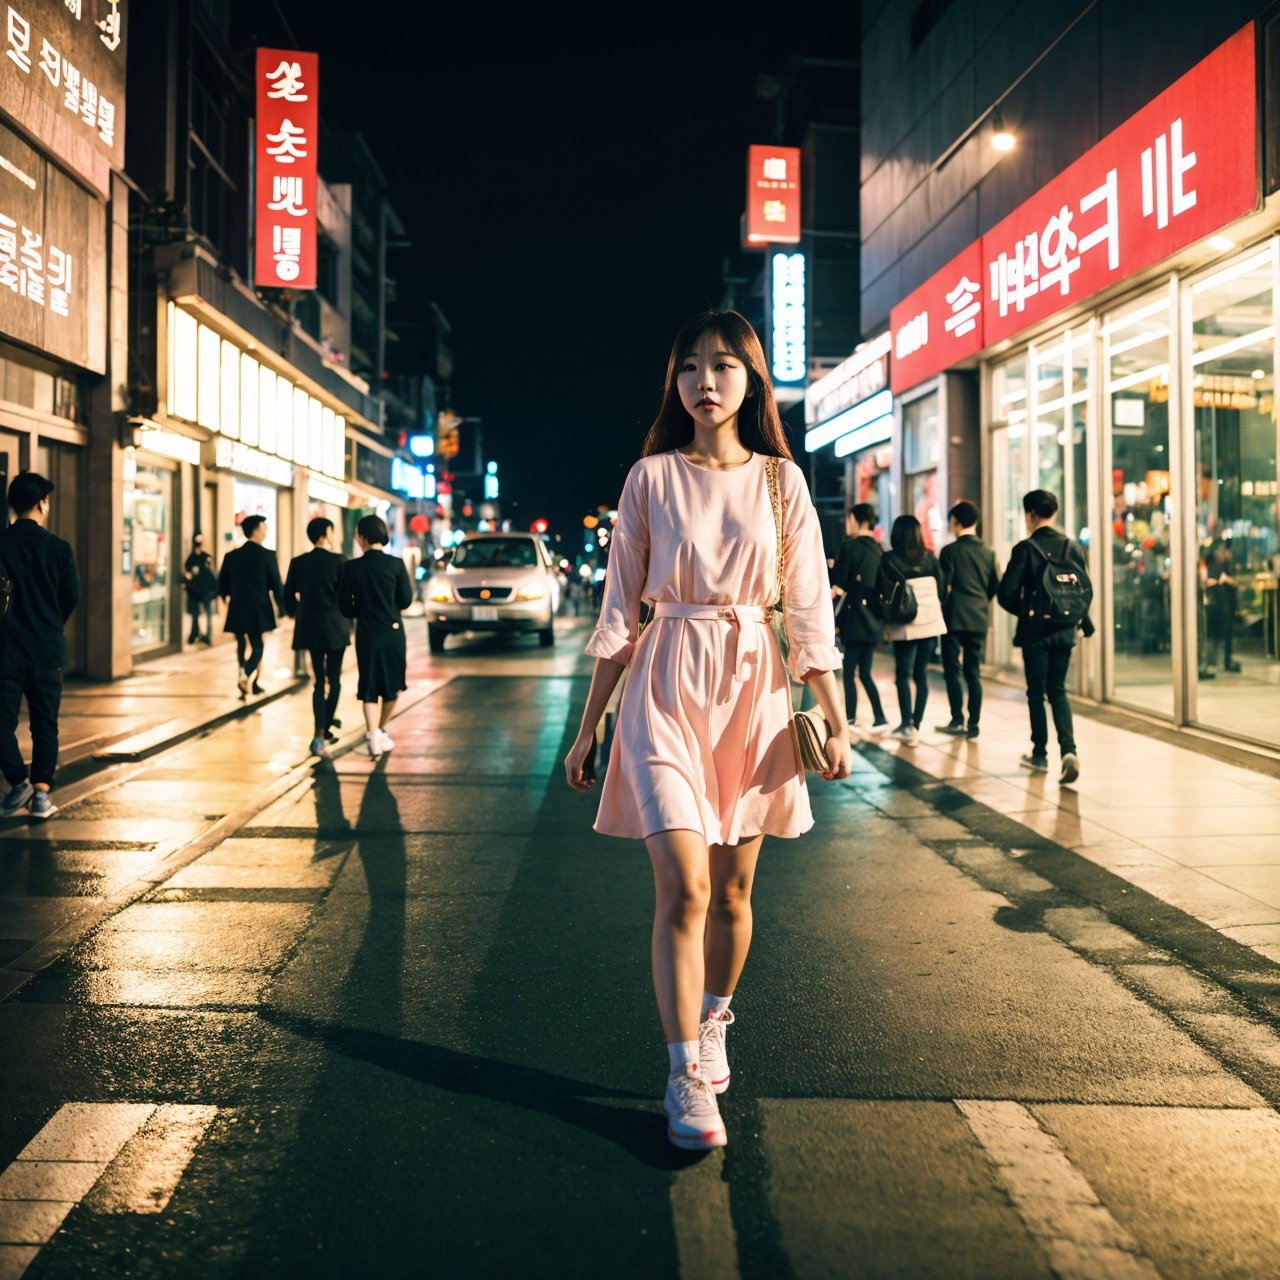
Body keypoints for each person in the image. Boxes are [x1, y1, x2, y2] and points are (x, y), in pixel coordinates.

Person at [563, 308, 849, 1153]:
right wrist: (589, 728)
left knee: (732, 891)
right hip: (665, 678)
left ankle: (717, 1016)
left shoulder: (780, 483)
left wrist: (835, 719)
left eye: (723, 365)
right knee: (684, 885)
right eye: (689, 366)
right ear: (675, 383)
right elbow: (620, 611)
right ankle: (684, 1070)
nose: (705, 381)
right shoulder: (650, 477)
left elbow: (807, 612)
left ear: (752, 380)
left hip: (753, 685)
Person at [997, 489, 1095, 785]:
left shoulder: (1025, 549)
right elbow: (1079, 591)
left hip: (1035, 633)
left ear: (1031, 515)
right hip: (1066, 632)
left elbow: (1005, 595)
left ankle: (1039, 754)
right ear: (1053, 513)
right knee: (1058, 690)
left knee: (1036, 693)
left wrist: (1028, 611)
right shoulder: (1074, 548)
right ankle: (1069, 751)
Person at [0, 472, 80, 820]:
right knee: (44, 724)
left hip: (5, 651)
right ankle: (42, 796)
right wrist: (49, 624)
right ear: (41, 502)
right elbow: (70, 596)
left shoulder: (1, 544)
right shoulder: (59, 549)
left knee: (1, 723)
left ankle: (19, 782)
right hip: (47, 651)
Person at [338, 514, 413, 758]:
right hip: (393, 632)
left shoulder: (351, 567)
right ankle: (379, 729)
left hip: (367, 632)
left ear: (362, 537)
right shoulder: (396, 564)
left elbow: (344, 606)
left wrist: (361, 611)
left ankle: (372, 737)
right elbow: (406, 600)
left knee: (368, 684)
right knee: (393, 686)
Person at [876, 514, 946, 746]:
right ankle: (916, 724)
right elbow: (943, 589)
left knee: (903, 675)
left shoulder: (889, 559)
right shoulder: (930, 559)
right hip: (929, 621)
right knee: (921, 674)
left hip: (903, 621)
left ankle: (906, 724)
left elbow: (882, 592)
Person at [284, 516, 351, 757]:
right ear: (324, 534)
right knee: (334, 680)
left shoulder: (298, 562)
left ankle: (318, 733)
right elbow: (347, 596)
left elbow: (287, 596)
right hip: (335, 626)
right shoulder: (339, 561)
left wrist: (297, 613)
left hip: (309, 626)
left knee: (317, 680)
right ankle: (328, 722)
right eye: (331, 531)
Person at [936, 500, 1000, 740]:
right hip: (978, 618)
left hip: (953, 618)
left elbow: (943, 587)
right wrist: (981, 602)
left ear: (956, 522)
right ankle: (974, 725)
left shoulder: (950, 552)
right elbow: (996, 585)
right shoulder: (988, 552)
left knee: (952, 669)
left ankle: (957, 719)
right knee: (974, 672)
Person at [830, 502, 888, 735]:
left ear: (855, 520)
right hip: (873, 619)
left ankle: (851, 718)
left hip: (854, 619)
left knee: (849, 670)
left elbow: (839, 582)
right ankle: (880, 717)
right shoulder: (879, 549)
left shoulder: (849, 547)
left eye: (849, 518)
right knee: (864, 672)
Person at [217, 514, 284, 698]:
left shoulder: (232, 556)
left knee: (240, 643)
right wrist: (284, 609)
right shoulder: (267, 555)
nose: (266, 531)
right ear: (255, 530)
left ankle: (244, 676)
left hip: (237, 607)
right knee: (258, 646)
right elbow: (276, 584)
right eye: (264, 528)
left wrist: (227, 597)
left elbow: (222, 581)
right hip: (259, 608)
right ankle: (247, 675)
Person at [183, 534, 218, 645]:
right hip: (196, 591)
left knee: (208, 614)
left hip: (206, 591)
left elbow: (211, 574)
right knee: (195, 614)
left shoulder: (206, 557)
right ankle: (195, 634)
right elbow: (188, 575)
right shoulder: (190, 560)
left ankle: (208, 636)